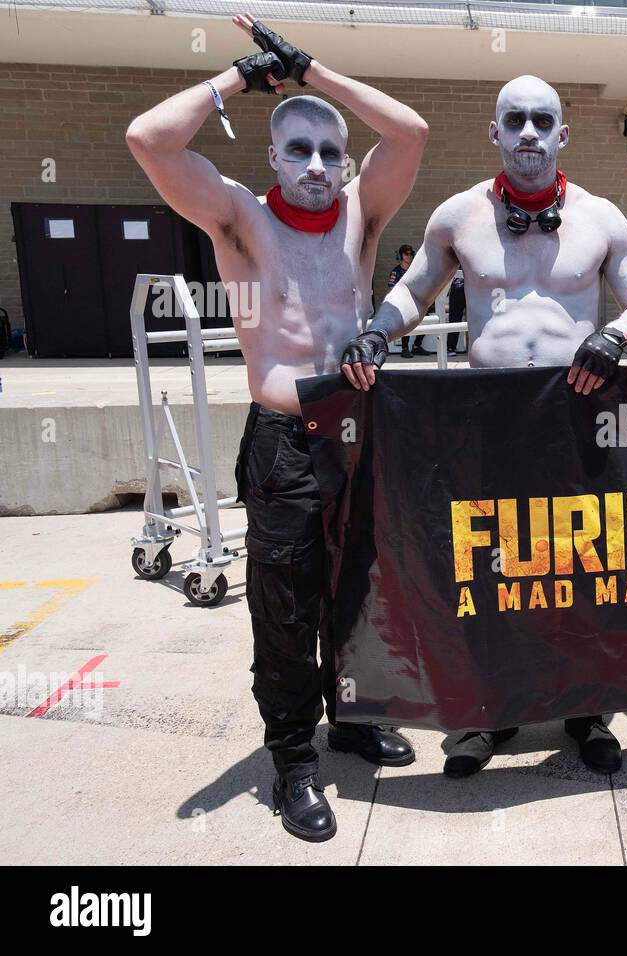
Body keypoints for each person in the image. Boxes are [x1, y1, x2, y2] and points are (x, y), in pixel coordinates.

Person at [127, 14, 428, 841]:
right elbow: (148, 138)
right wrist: (240, 79)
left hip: (360, 438)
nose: (321, 167)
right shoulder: (238, 220)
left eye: (331, 152)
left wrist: (315, 74)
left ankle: (355, 717)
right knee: (287, 609)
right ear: (271, 158)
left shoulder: (362, 212)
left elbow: (411, 132)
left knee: (361, 592)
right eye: (300, 150)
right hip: (287, 442)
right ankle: (294, 761)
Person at [338, 75, 627, 777]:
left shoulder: (603, 218)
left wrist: (615, 338)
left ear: (563, 134)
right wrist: (378, 333)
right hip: (489, 427)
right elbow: (415, 288)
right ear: (495, 132)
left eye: (544, 120)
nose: (530, 133)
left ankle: (588, 712)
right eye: (515, 120)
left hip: (578, 422)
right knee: (491, 573)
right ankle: (489, 713)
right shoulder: (457, 215)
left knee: (585, 572)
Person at [390, 244, 428, 357]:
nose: (409, 256)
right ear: (400, 256)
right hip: (402, 302)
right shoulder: (396, 272)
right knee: (405, 325)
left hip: (417, 300)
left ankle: (417, 345)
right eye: (406, 254)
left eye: (411, 254)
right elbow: (391, 288)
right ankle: (405, 348)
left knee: (427, 321)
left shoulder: (415, 270)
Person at [447, 269, 466, 354]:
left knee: (475, 319)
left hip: (470, 289)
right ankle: (451, 347)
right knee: (454, 320)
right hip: (456, 290)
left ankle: (475, 347)